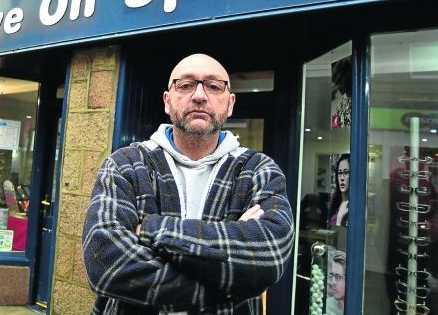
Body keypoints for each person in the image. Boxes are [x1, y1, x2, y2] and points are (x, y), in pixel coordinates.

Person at [82, 54, 295, 314]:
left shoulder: (257, 169)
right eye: (185, 85)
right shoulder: (125, 163)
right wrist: (231, 271)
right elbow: (105, 265)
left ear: (230, 104)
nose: (199, 96)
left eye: (214, 86)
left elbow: (269, 255)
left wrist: (150, 229)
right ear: (167, 101)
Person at [329, 154, 350, 227]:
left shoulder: (354, 204)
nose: (342, 178)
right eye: (340, 173)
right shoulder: (334, 198)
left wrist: (340, 218)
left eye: (346, 172)